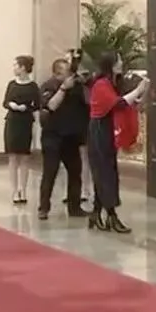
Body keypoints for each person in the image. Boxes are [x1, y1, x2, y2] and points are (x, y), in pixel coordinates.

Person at [86, 52, 149, 233]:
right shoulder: (101, 84)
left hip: (106, 129)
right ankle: (111, 216)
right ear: (111, 65)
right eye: (119, 60)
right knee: (105, 173)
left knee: (106, 172)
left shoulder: (112, 83)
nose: (121, 63)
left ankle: (96, 214)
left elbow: (131, 103)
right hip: (99, 131)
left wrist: (142, 92)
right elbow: (119, 104)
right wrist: (138, 89)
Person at [37, 53, 90, 220]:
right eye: (67, 72)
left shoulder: (77, 87)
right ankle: (43, 208)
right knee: (50, 173)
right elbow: (51, 105)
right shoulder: (48, 86)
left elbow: (88, 103)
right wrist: (63, 89)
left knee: (75, 173)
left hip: (71, 137)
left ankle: (75, 207)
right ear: (57, 73)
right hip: (52, 137)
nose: (70, 76)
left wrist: (85, 83)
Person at [3, 55, 40, 204]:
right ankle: (14, 191)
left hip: (25, 122)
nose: (14, 68)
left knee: (24, 157)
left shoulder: (33, 86)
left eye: (16, 65)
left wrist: (26, 108)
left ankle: (23, 189)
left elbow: (37, 105)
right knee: (12, 157)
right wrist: (12, 105)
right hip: (12, 121)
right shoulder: (12, 84)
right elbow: (5, 102)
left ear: (23, 67)